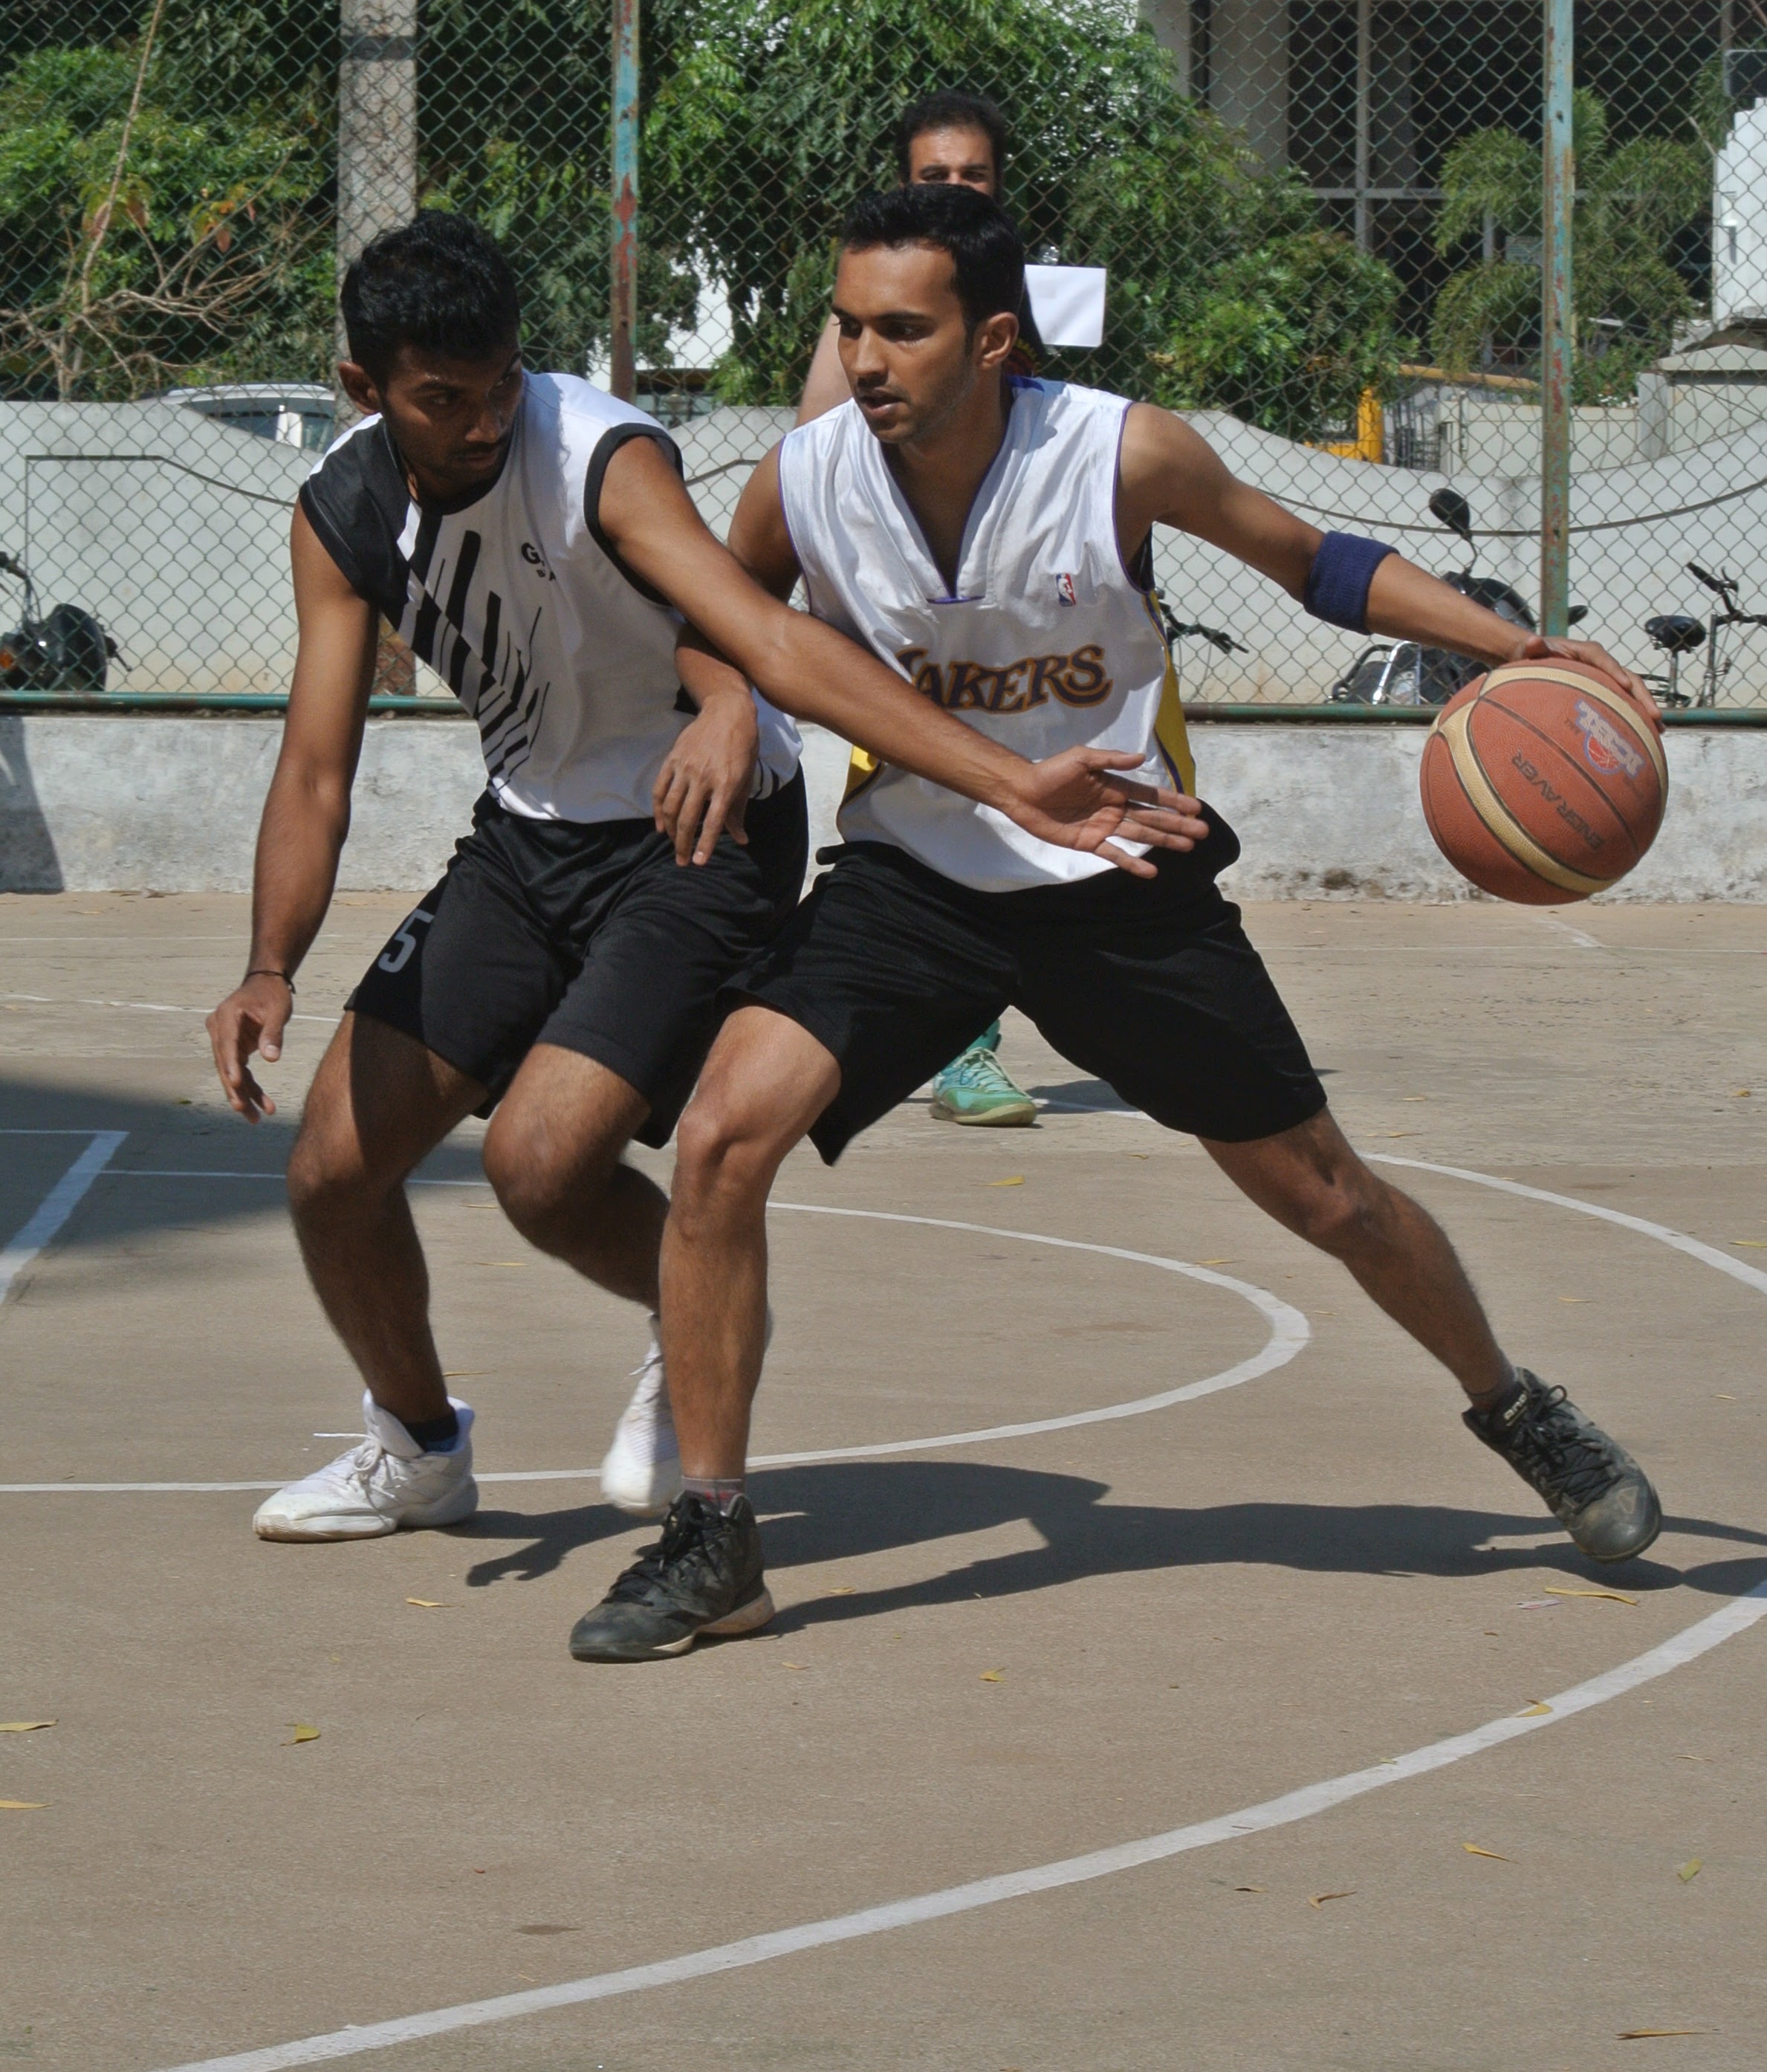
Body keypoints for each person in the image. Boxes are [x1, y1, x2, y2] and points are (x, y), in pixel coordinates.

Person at [564, 183, 1667, 1663]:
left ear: (993, 340)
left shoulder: (1118, 451)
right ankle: (716, 1537)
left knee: (1330, 1198)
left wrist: (1512, 645)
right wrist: (715, 707)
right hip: (918, 877)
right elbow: (719, 617)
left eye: (903, 329)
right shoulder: (806, 477)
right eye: (849, 326)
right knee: (717, 1138)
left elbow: (1314, 561)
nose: (866, 358)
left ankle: (1518, 1407)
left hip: (1121, 872)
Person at [206, 211, 1204, 1550]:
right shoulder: (344, 512)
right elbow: (318, 766)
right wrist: (269, 963)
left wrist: (958, 767)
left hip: (704, 831)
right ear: (364, 388)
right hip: (530, 834)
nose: (485, 421)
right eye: (445, 399)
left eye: (500, 383)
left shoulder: (599, 457)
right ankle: (419, 1447)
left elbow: (757, 629)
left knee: (541, 1167)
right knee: (331, 1172)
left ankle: (701, 1314)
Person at [800, 88, 1042, 1130]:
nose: (953, 187)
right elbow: (817, 452)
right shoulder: (873, 324)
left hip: (1033, 625)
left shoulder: (1019, 306)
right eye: (932, 175)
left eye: (972, 175)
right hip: (915, 632)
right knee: (935, 824)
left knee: (1048, 824)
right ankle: (961, 1047)